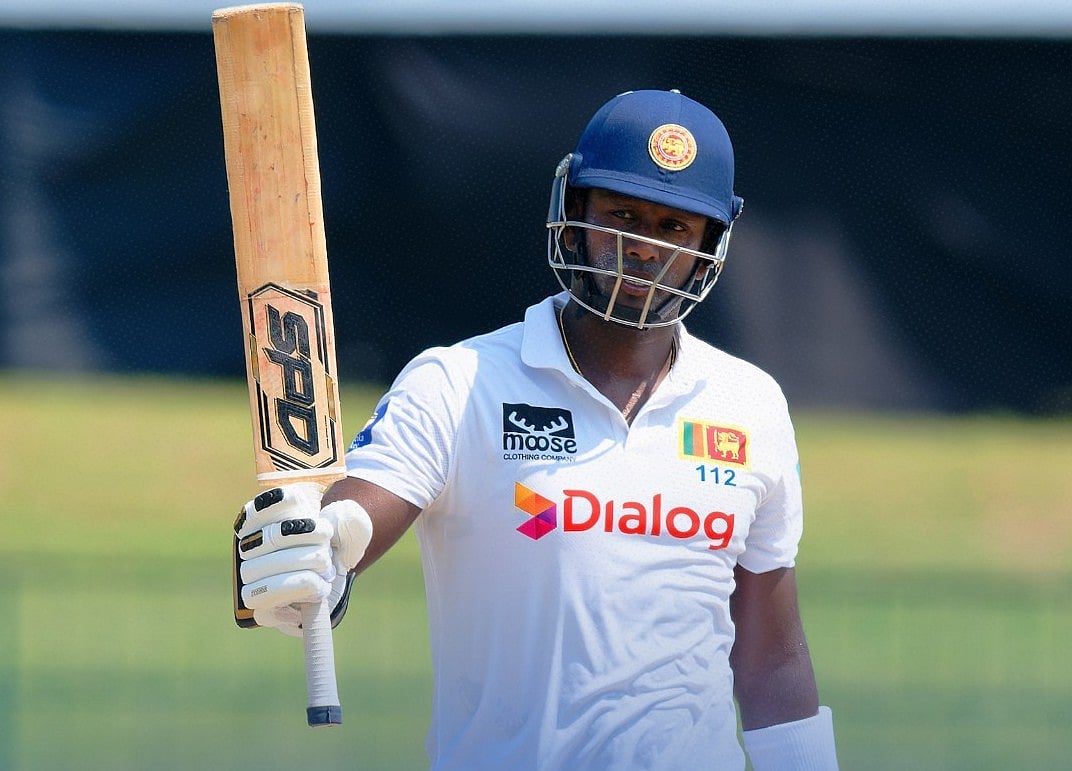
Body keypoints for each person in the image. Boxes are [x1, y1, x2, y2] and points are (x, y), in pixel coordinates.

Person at [233, 89, 839, 770]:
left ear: (709, 245)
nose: (643, 248)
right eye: (623, 214)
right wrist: (314, 551)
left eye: (673, 228)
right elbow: (354, 518)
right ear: (574, 212)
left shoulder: (749, 405)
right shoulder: (460, 383)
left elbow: (771, 657)